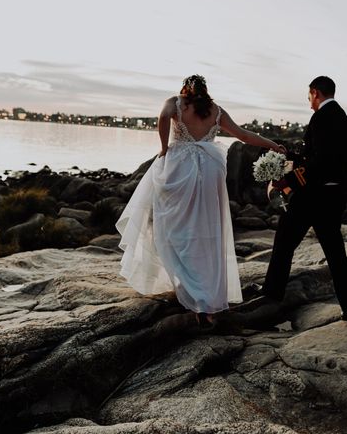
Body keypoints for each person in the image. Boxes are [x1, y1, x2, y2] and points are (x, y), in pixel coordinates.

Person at [116, 74, 286, 327]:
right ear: (206, 91)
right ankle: (206, 297)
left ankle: (190, 287)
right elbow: (242, 134)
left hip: (179, 168)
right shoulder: (216, 110)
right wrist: (272, 144)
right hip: (208, 171)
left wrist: (164, 146)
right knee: (206, 228)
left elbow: (162, 118)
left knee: (172, 226)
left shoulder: (176, 103)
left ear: (185, 89)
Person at [261, 76, 347, 322]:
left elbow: (318, 164)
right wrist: (292, 156)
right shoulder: (343, 119)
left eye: (309, 96)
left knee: (284, 243)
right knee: (336, 255)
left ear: (315, 92)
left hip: (313, 198)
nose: (309, 101)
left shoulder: (321, 118)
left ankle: (271, 295)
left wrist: (287, 182)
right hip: (334, 195)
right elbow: (322, 157)